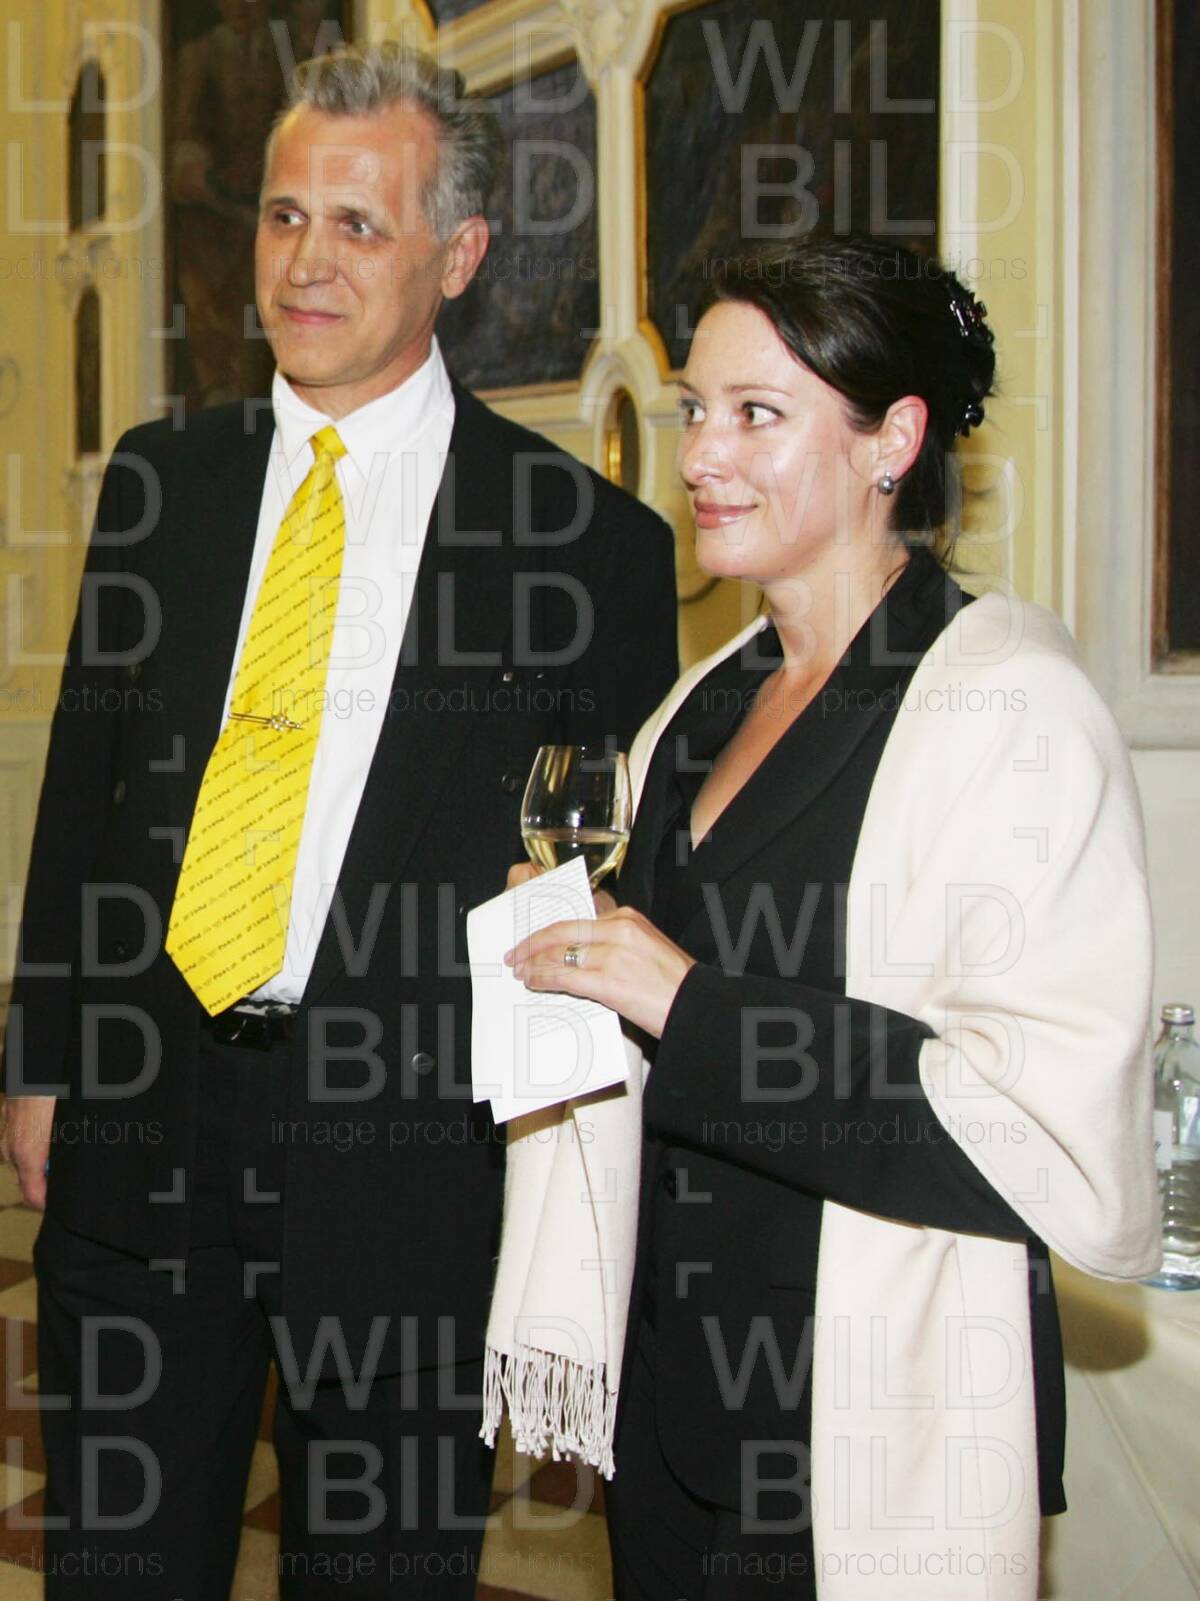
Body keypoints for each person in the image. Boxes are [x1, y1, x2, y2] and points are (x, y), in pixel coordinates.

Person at [4, 42, 680, 1597]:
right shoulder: (162, 483)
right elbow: (82, 788)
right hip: (144, 1122)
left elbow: (598, 887)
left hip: (409, 1160)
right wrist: (42, 1059)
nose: (304, 261)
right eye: (283, 214)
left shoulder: (583, 545)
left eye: (359, 225)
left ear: (460, 255)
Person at [490, 236, 1161, 1599]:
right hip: (673, 1410)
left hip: (862, 1432)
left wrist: (688, 1004)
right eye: (697, 409)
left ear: (890, 442)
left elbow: (1030, 1137)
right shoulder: (702, 706)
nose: (699, 456)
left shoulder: (1006, 705)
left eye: (757, 414)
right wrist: (570, 950)